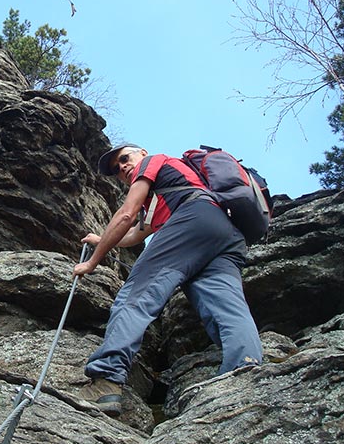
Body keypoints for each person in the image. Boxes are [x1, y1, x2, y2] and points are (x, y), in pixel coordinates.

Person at [74, 142, 263, 416]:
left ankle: (106, 380)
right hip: (224, 233)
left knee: (136, 296)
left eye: (125, 159)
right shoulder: (165, 194)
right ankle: (244, 368)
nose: (123, 168)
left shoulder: (153, 162)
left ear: (140, 152)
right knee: (224, 303)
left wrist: (92, 262)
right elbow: (135, 236)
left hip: (192, 219)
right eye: (116, 169)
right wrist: (101, 240)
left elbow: (126, 214)